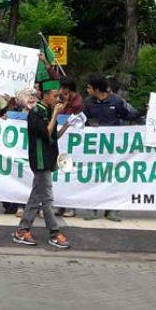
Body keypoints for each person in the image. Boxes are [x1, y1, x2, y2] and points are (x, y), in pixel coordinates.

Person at [13, 80, 71, 249]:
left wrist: (67, 124)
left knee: (36, 197)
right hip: (40, 160)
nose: (56, 99)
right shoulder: (36, 113)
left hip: (48, 159)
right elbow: (46, 133)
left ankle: (22, 231)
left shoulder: (48, 110)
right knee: (47, 198)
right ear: (45, 96)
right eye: (54, 96)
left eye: (58, 96)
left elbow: (53, 135)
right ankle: (54, 233)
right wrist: (55, 116)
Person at [83, 74, 140, 222]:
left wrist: (143, 113)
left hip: (114, 148)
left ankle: (111, 210)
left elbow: (129, 115)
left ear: (97, 89)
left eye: (89, 87)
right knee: (94, 177)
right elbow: (81, 120)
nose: (87, 90)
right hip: (95, 147)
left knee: (113, 178)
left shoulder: (116, 101)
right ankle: (92, 209)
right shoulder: (88, 102)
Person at [55, 75, 84, 218]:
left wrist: (64, 105)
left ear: (68, 88)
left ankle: (70, 207)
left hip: (71, 138)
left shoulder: (77, 102)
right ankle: (60, 205)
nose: (60, 90)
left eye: (62, 87)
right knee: (61, 170)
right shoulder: (62, 98)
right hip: (62, 137)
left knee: (69, 171)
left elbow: (73, 119)